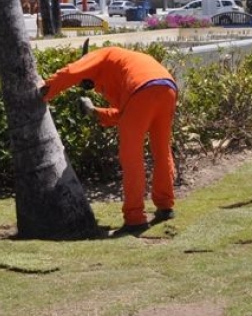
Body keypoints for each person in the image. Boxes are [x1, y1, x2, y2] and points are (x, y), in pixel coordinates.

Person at [40, 45, 178, 232]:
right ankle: (165, 206)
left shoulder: (103, 54)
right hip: (167, 88)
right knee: (162, 150)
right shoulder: (122, 64)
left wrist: (46, 89)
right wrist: (95, 112)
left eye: (88, 82)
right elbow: (125, 113)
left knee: (131, 157)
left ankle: (135, 218)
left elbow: (72, 71)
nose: (92, 87)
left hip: (142, 89)